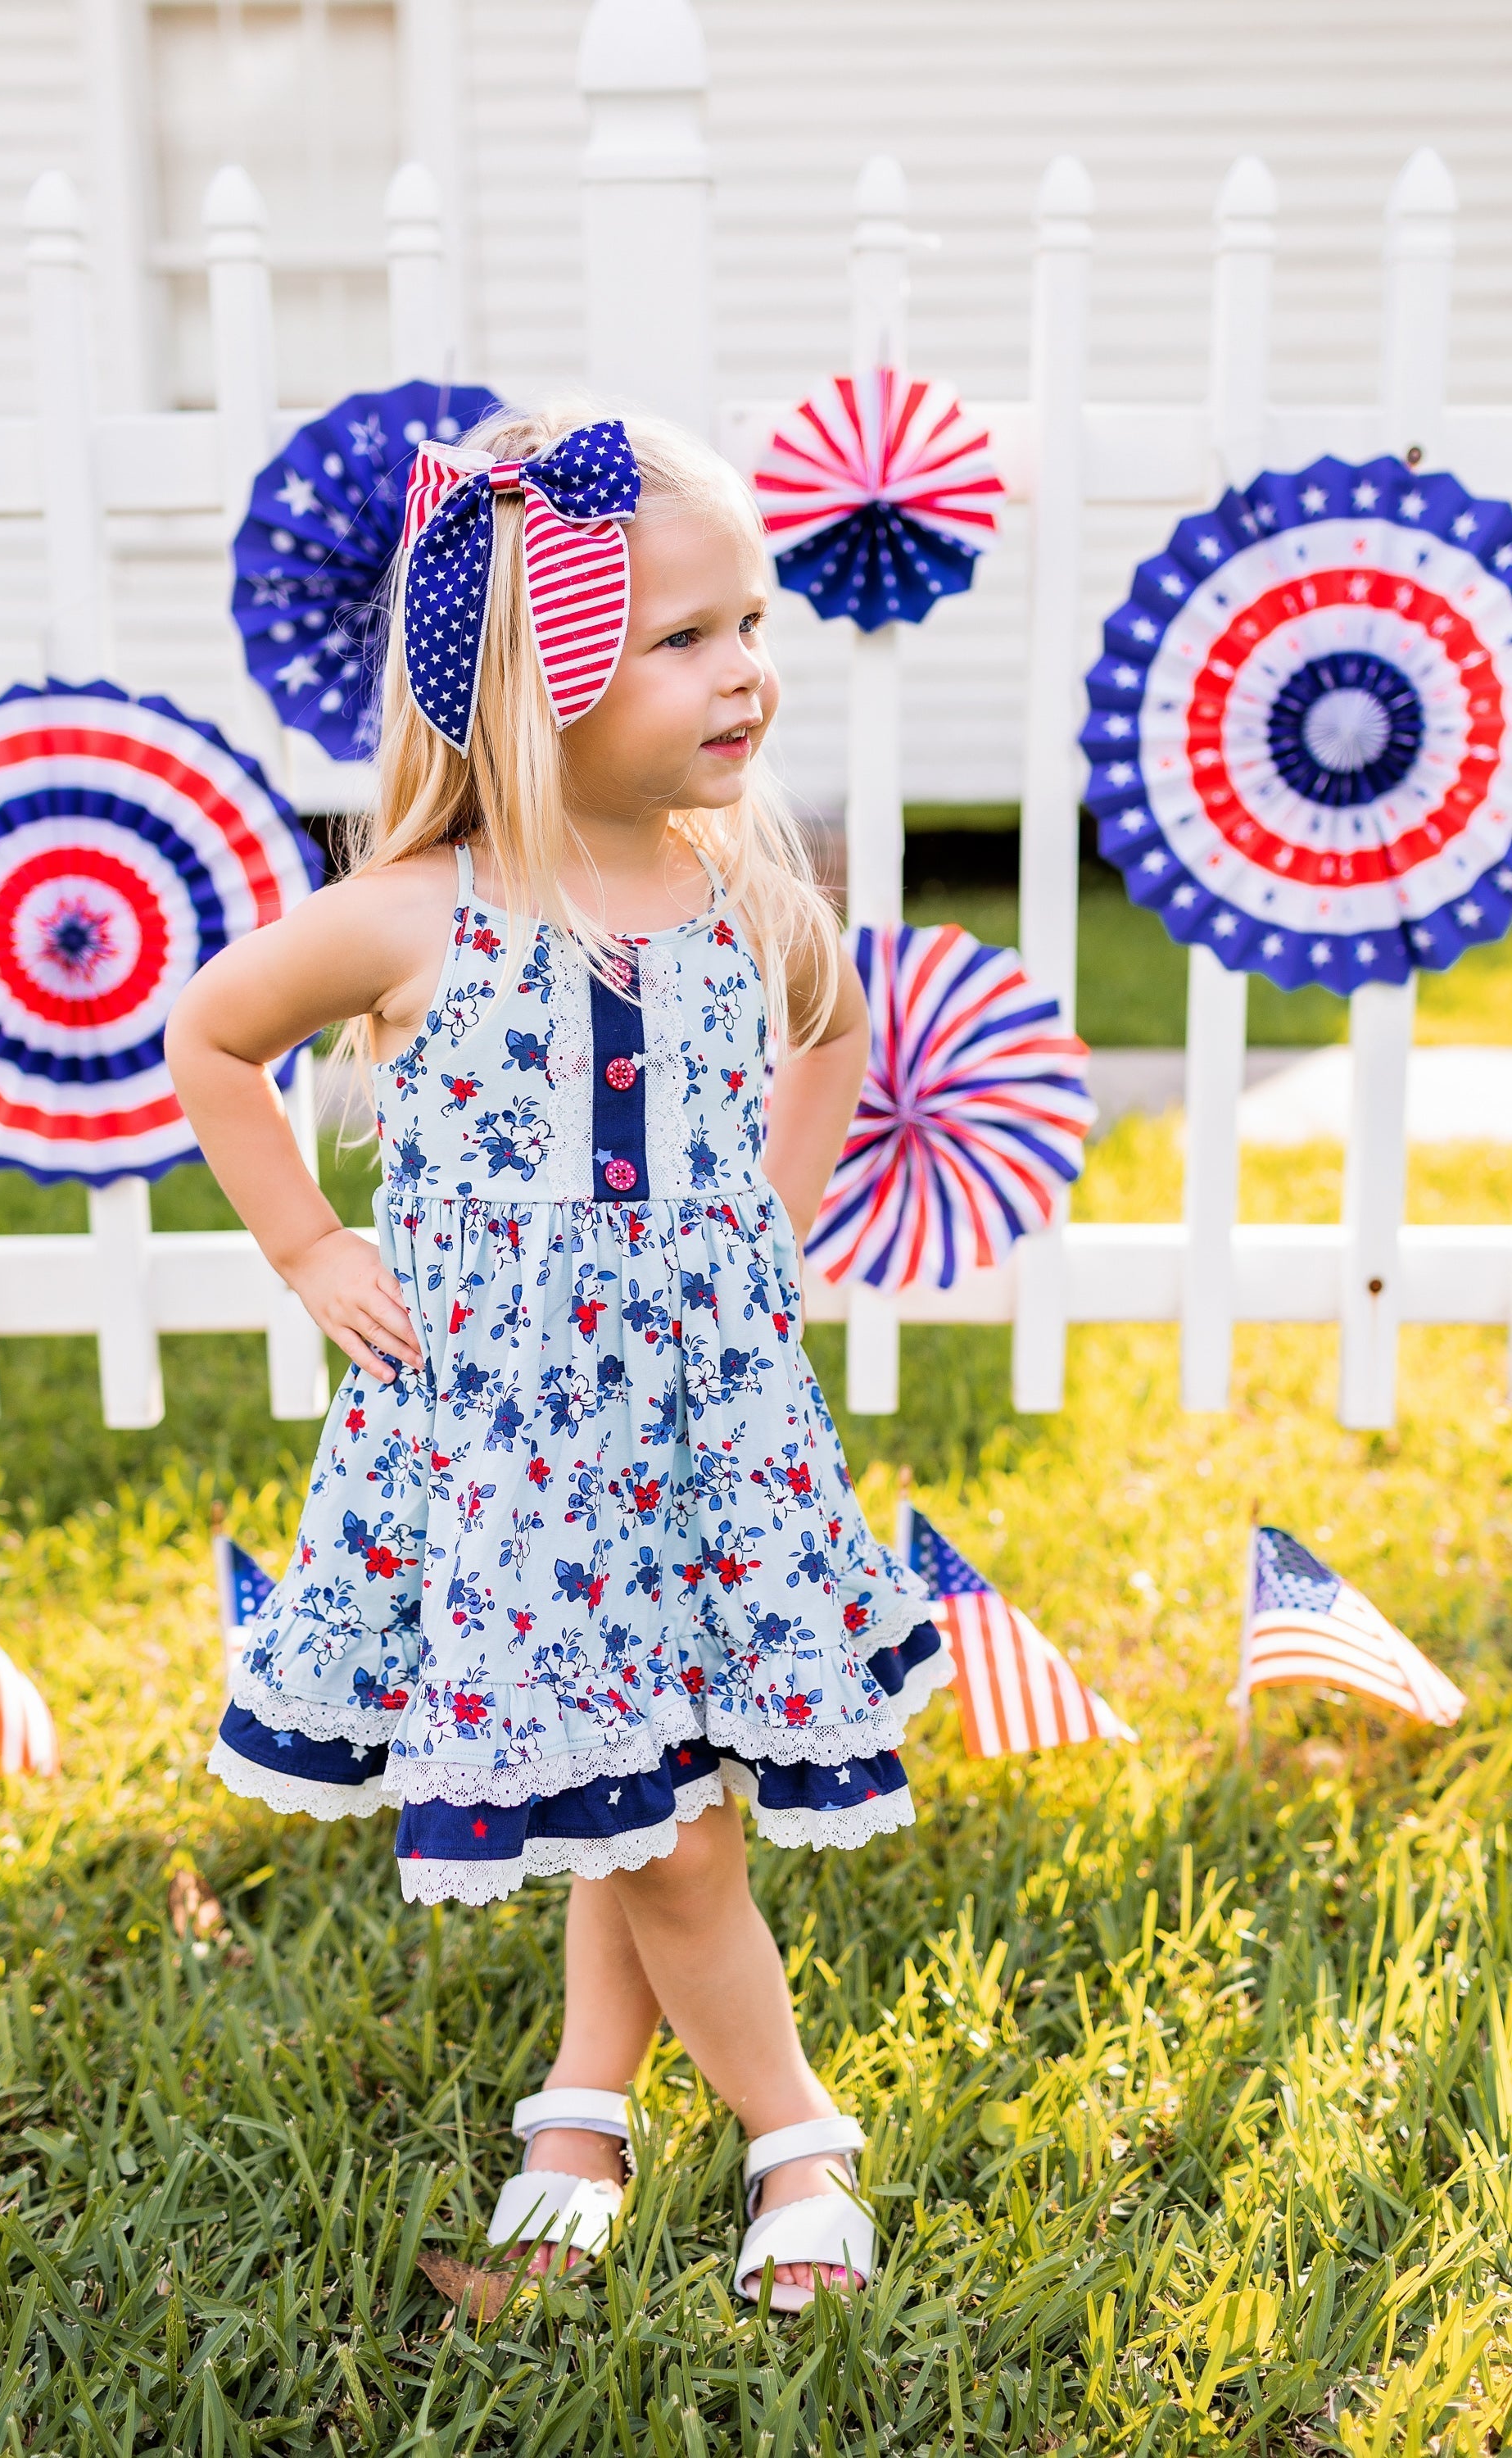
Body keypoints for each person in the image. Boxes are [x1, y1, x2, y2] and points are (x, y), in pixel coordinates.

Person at [166, 403, 951, 2308]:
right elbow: (211, 1038)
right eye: (686, 635)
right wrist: (309, 1238)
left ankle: (590, 2101)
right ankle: (794, 2137)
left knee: (643, 1776)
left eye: (751, 624)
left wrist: (756, 1214)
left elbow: (835, 1035)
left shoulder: (737, 900)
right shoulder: (410, 916)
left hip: (695, 1436)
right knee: (672, 1830)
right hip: (519, 1445)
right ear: (539, 665)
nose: (746, 670)